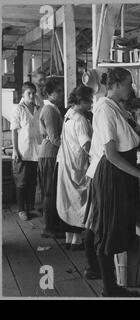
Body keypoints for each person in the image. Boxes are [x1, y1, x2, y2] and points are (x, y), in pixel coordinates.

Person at [86, 67, 140, 297]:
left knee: (116, 226)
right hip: (112, 174)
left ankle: (114, 284)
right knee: (107, 229)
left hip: (122, 172)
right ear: (115, 85)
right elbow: (112, 154)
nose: (131, 88)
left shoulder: (117, 107)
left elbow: (133, 137)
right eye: (128, 84)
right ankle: (109, 288)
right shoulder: (104, 109)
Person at [56, 85, 94, 251]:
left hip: (67, 163)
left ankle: (69, 239)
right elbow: (86, 145)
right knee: (80, 202)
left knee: (69, 201)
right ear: (81, 100)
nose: (91, 104)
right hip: (78, 165)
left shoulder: (68, 115)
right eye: (89, 101)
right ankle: (77, 241)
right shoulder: (80, 120)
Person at [10, 82, 42, 221]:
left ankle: (31, 207)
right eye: (29, 93)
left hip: (35, 152)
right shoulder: (18, 109)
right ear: (23, 94)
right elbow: (14, 132)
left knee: (32, 182)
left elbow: (43, 105)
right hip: (22, 152)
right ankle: (22, 209)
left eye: (33, 93)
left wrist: (37, 99)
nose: (32, 95)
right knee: (21, 183)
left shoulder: (38, 108)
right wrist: (15, 150)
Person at [38, 78, 65, 238]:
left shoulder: (53, 108)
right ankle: (48, 227)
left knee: (52, 190)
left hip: (51, 153)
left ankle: (52, 224)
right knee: (49, 191)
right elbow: (55, 138)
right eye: (58, 91)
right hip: (49, 154)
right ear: (49, 93)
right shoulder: (49, 110)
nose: (61, 94)